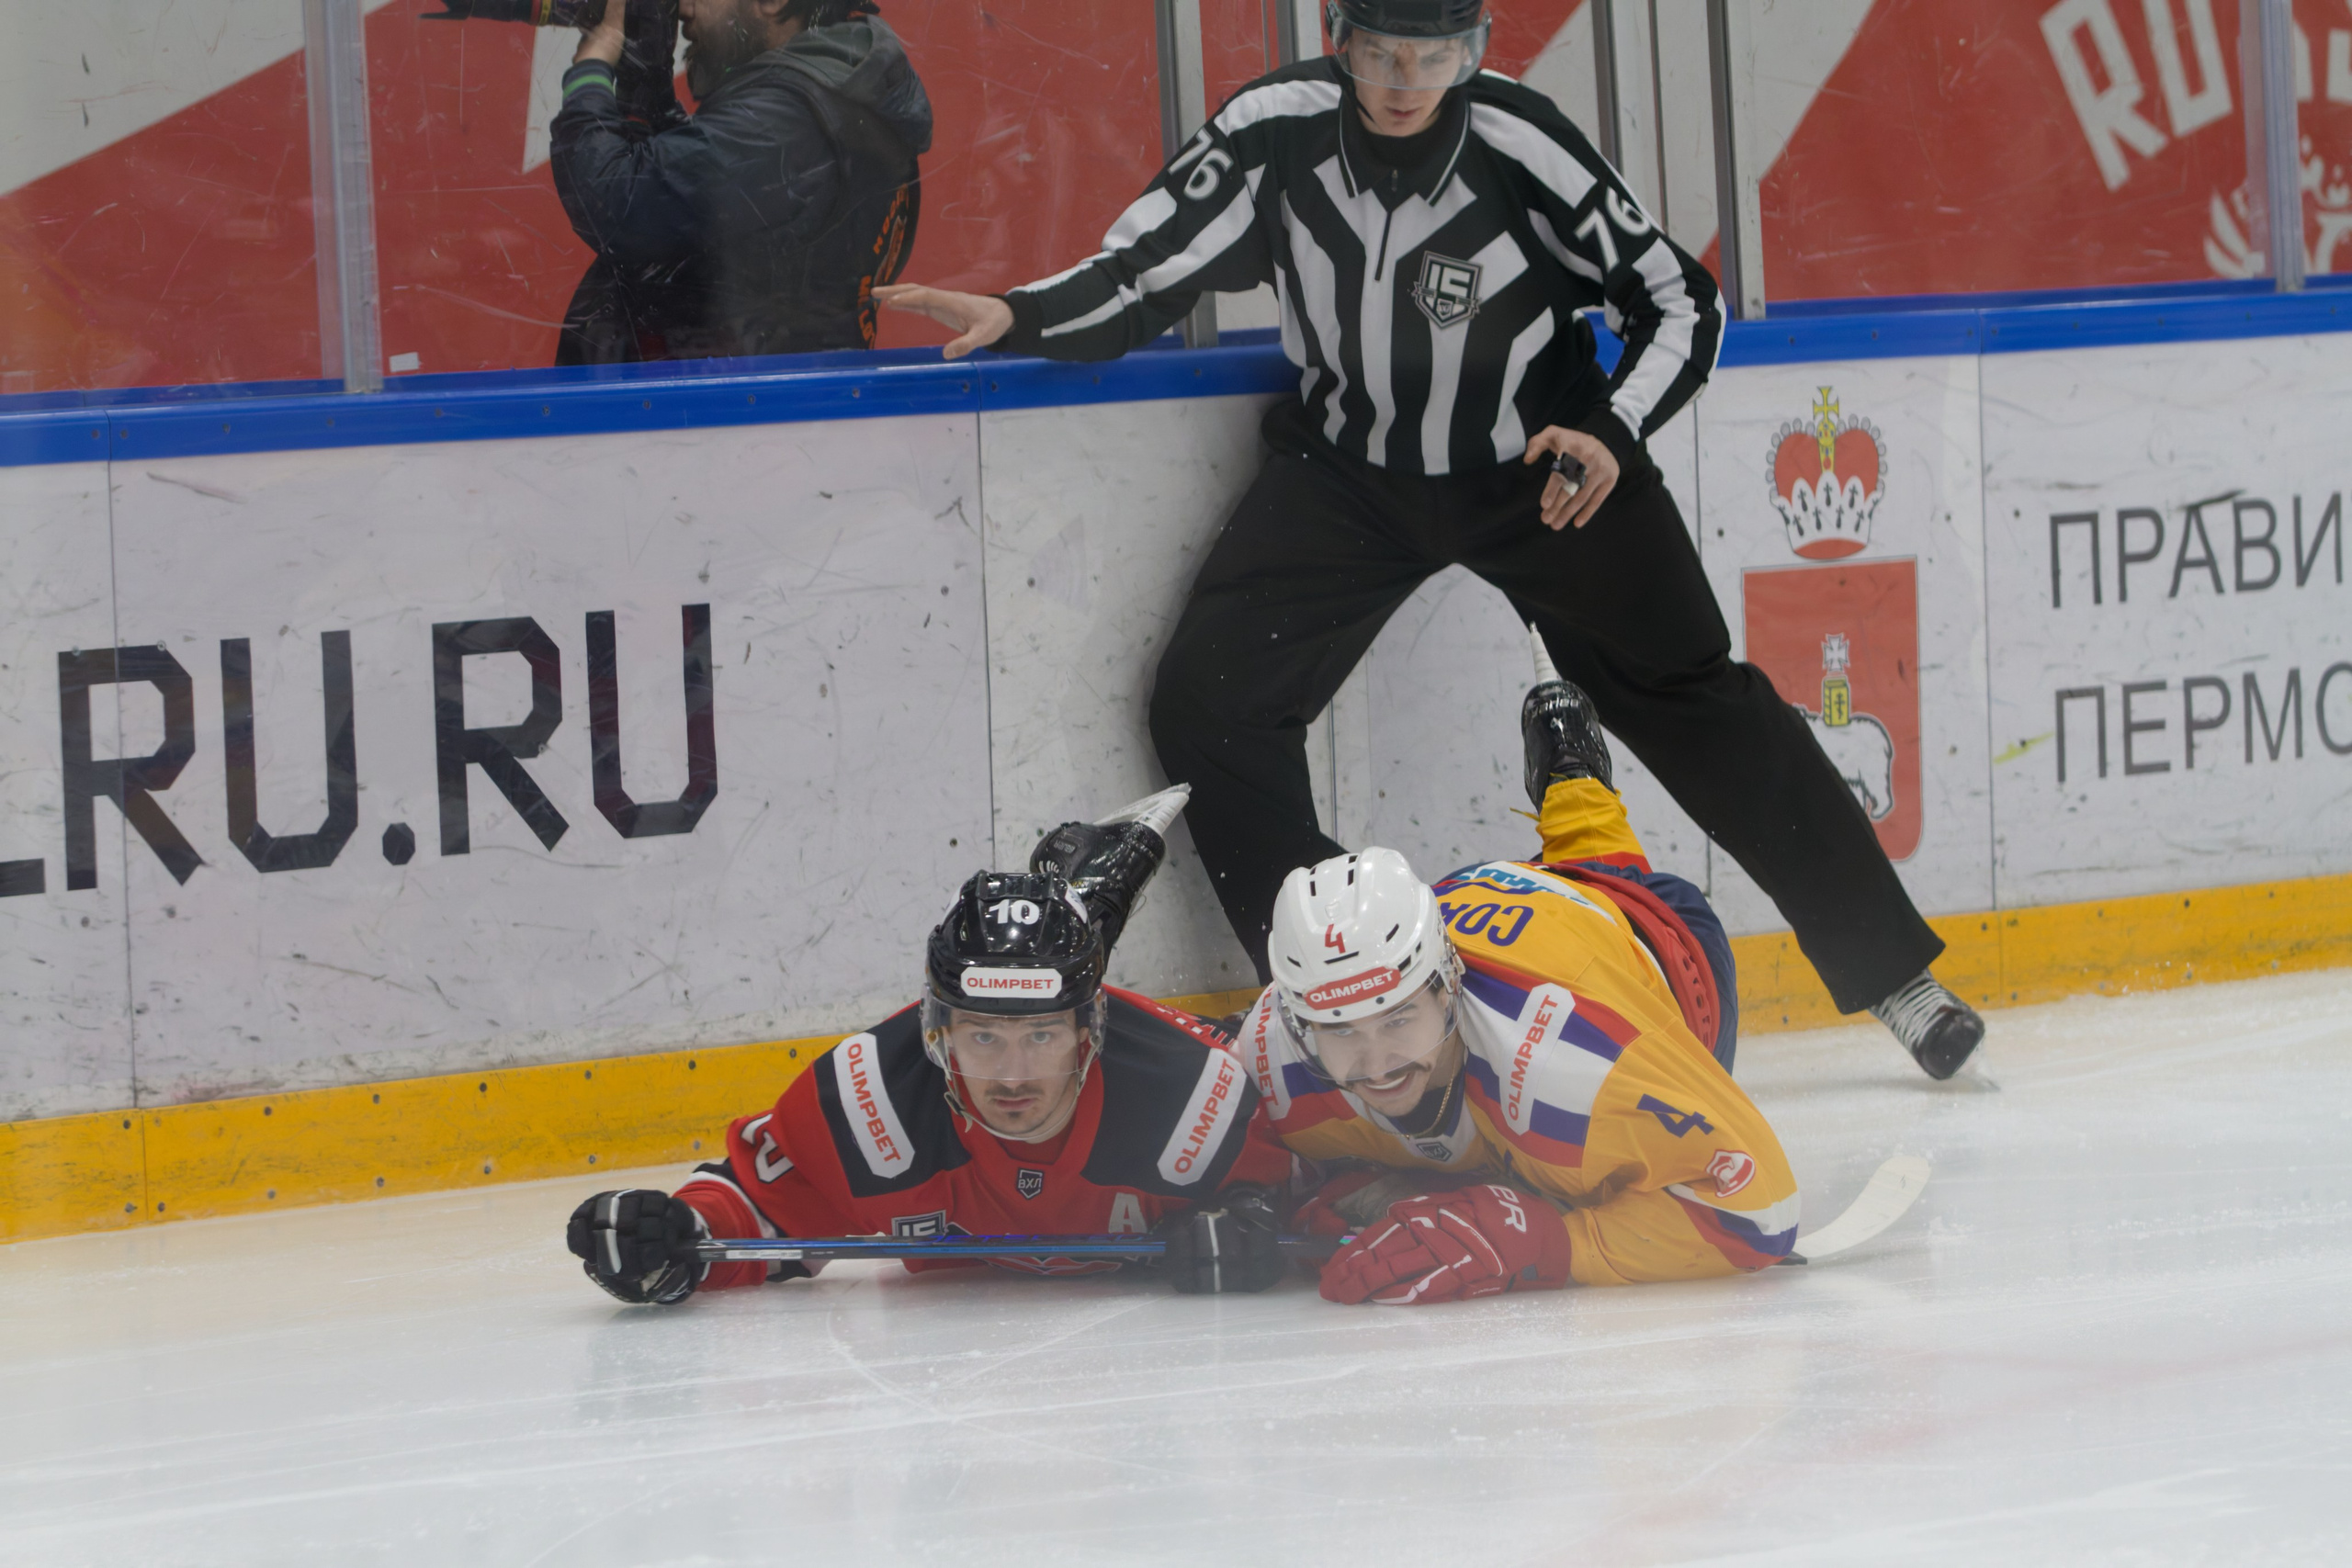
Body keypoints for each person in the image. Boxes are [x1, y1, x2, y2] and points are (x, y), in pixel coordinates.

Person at [874, 0, 1983, 1080]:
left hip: (1546, 471)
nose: (1407, 82)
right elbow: (1140, 273)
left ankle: (1896, 977)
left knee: (1698, 696)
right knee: (1207, 701)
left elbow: (1678, 299)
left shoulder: (1521, 142)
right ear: (1338, 39)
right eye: (1383, 53)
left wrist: (1609, 433)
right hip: (1350, 480)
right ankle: (1339, 992)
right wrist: (1020, 314)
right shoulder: (1272, 133)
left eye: (1436, 54)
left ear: (1474, 48)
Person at [566, 792, 1294, 1304]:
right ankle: (1074, 902)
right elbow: (756, 1207)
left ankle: (1078, 900)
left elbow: (1322, 1170)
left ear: (1088, 1032)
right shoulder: (871, 1100)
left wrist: (1261, 1215)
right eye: (983, 1035)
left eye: (1042, 1035)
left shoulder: (1196, 1095)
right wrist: (671, 1238)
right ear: (936, 1031)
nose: (1012, 1076)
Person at [1232, 657, 1799, 1302]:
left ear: (1448, 984)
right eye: (1341, 1031)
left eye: (1397, 1017)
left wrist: (1549, 1241)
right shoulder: (1275, 1049)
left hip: (1654, 936)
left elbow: (1761, 1216)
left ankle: (1574, 776)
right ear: (1297, 1023)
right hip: (1503, 905)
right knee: (1581, 867)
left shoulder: (1576, 1065)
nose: (1378, 1063)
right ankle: (1571, 782)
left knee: (1604, 866)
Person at [548, 0, 929, 363]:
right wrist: (647, 84)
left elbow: (615, 201)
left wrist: (593, 64)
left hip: (730, 401)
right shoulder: (836, 91)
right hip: (767, 395)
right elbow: (699, 192)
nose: (683, 8)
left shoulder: (780, 127)